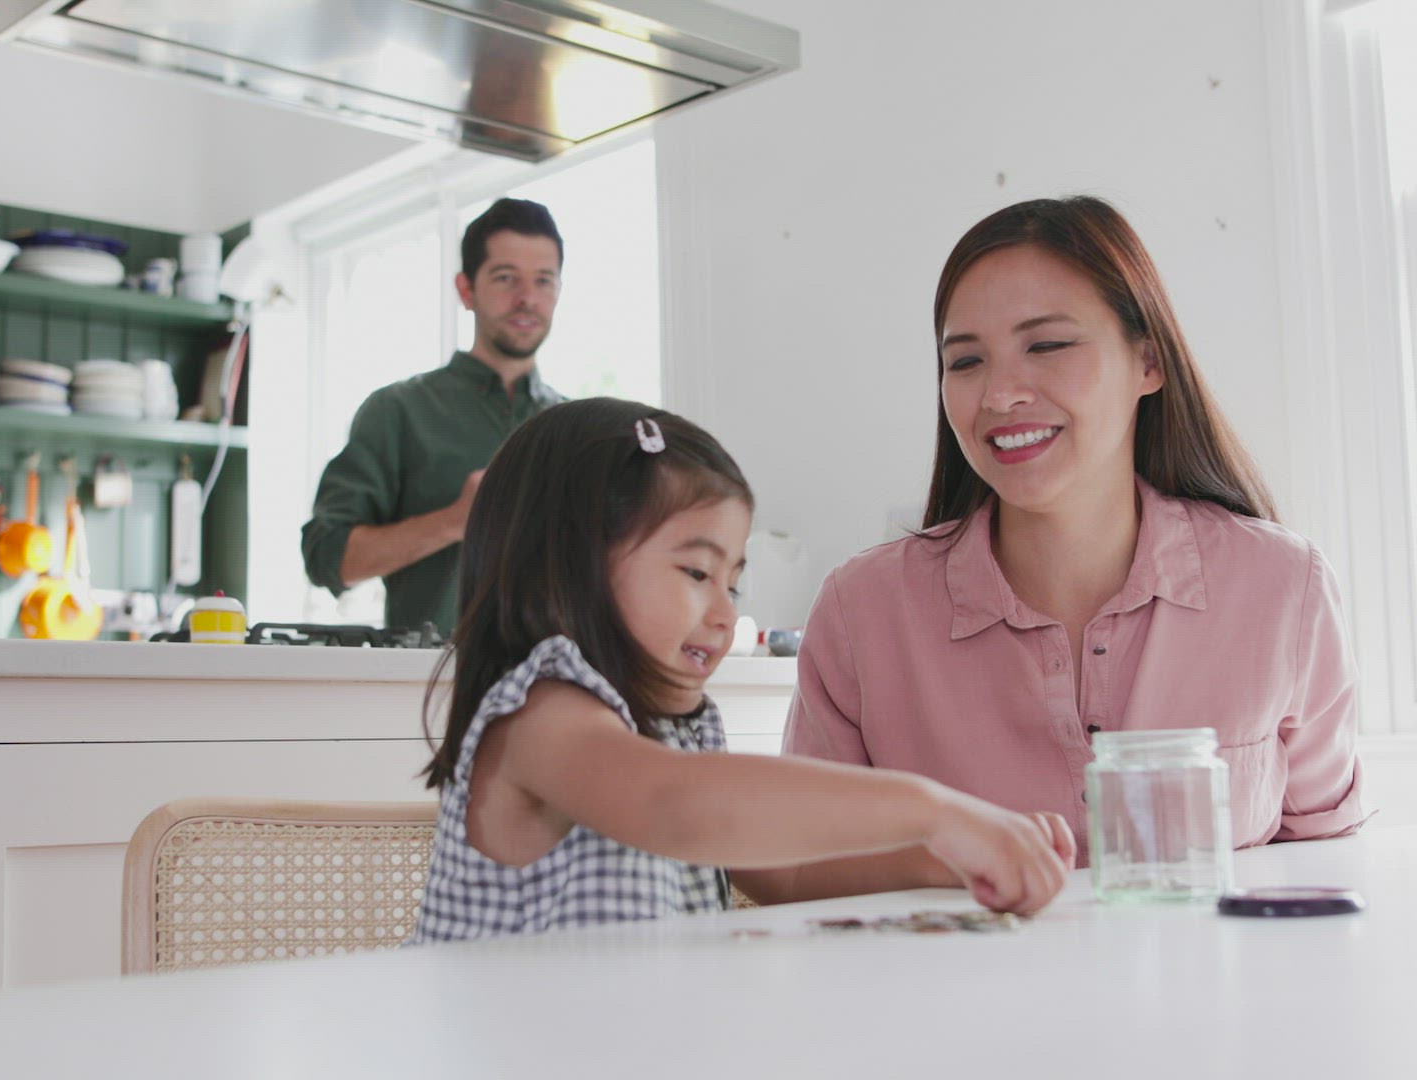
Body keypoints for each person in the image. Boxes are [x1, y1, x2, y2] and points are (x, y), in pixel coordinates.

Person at [783, 196, 1367, 869]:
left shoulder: (1284, 585)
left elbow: (1327, 863)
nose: (1000, 394)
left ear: (1149, 362)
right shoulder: (861, 611)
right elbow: (800, 863)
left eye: (1047, 345)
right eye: (966, 362)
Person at [408, 398, 1074, 944]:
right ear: (569, 563)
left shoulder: (672, 737)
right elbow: (675, 807)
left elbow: (785, 875)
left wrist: (951, 863)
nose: (727, 615)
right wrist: (935, 812)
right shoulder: (541, 718)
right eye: (698, 573)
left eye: (733, 583)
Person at [301, 198, 569, 632]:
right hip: (433, 672)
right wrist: (453, 522)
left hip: (564, 672)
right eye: (506, 278)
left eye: (544, 280)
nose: (527, 299)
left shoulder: (577, 431)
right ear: (466, 290)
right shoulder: (398, 411)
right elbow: (325, 557)